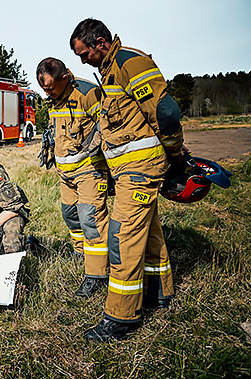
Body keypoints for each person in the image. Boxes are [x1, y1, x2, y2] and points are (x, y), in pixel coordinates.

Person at [69, 18, 185, 341]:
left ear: (101, 43)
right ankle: (159, 293)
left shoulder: (130, 63)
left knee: (120, 239)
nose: (82, 61)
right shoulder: (109, 73)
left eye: (84, 53)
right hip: (129, 172)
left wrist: (176, 155)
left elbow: (166, 112)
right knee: (149, 234)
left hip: (139, 172)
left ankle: (121, 318)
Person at [36, 57, 110, 298]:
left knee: (91, 218)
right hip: (65, 173)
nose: (47, 93)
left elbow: (107, 126)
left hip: (89, 170)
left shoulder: (88, 93)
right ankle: (81, 253)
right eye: (43, 89)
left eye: (50, 88)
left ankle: (97, 274)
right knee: (70, 214)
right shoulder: (55, 98)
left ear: (65, 78)